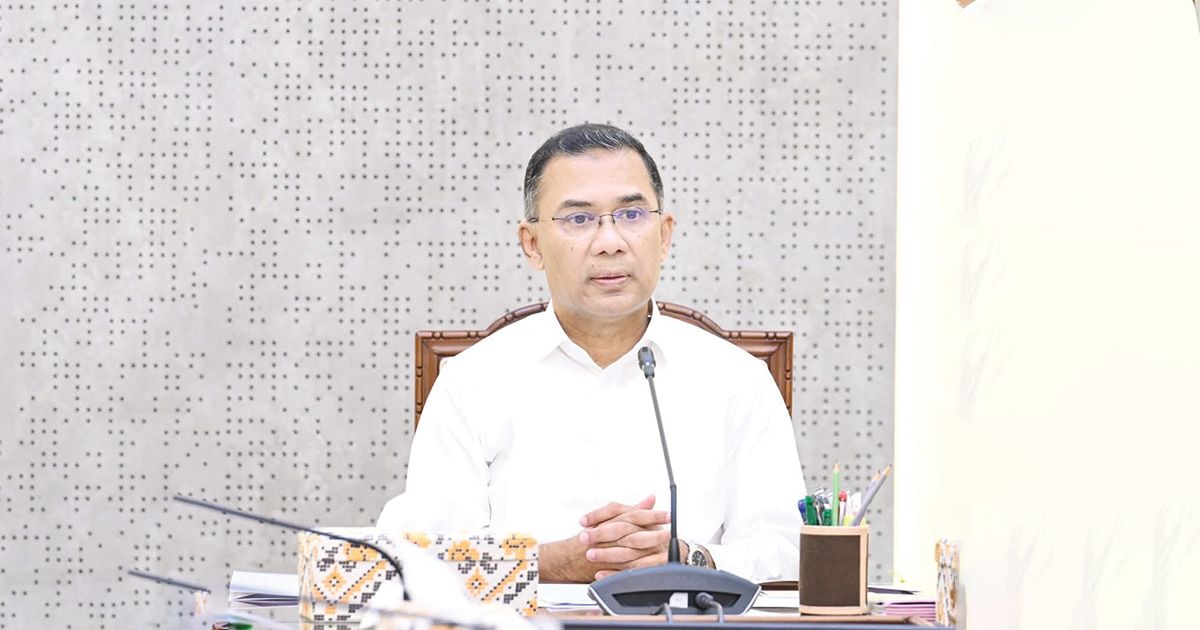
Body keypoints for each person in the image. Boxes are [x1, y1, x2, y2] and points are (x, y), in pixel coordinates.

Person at [378, 123, 805, 583]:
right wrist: (556, 562)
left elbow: (789, 547)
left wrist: (688, 558)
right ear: (532, 245)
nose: (610, 242)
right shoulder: (473, 381)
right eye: (579, 219)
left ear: (664, 235)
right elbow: (418, 552)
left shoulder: (736, 379)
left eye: (632, 215)